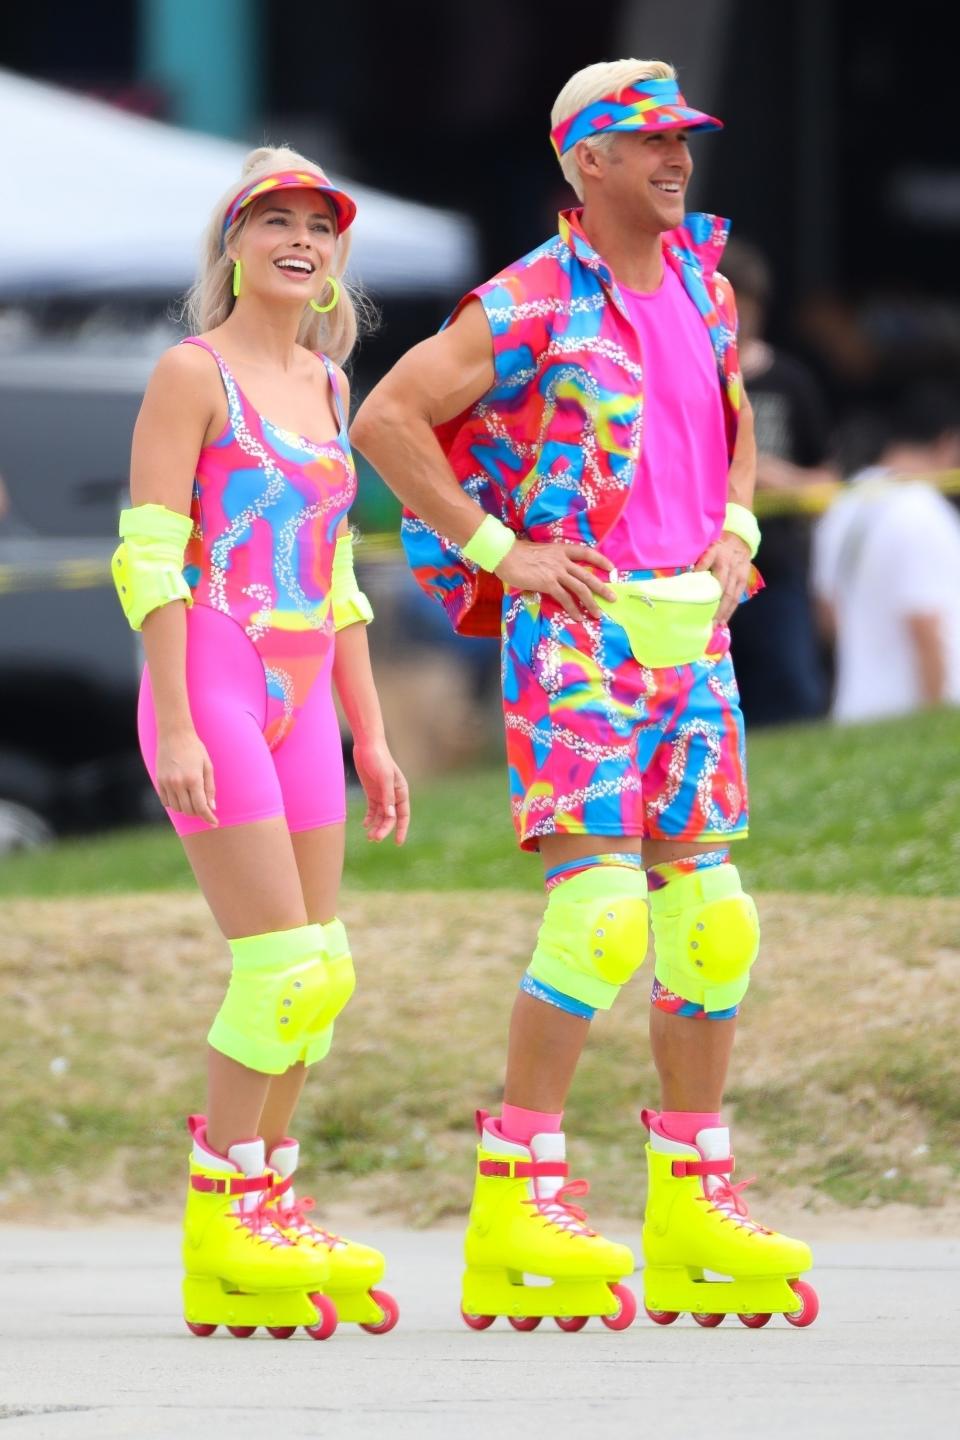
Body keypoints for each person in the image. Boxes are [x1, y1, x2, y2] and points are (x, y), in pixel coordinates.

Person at [352, 60, 817, 1330]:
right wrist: (499, 549)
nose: (676, 159)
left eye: (684, 140)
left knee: (713, 922)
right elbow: (387, 419)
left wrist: (735, 528)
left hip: (692, 636)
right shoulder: (531, 301)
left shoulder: (708, 288)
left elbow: (729, 416)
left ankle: (692, 1208)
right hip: (579, 641)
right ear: (586, 162)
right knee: (603, 917)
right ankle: (518, 1197)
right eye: (648, 141)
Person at [113, 146, 408, 1340]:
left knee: (319, 976)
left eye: (319, 226)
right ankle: (223, 1222)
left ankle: (268, 1210)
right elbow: (147, 557)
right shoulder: (192, 373)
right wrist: (178, 716)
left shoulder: (331, 386)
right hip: (216, 689)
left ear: (337, 256)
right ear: (231, 244)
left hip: (301, 698)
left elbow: (335, 577)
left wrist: (372, 736)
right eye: (272, 220)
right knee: (277, 967)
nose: (300, 238)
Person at [722, 238, 838, 725]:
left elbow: (827, 481)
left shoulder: (790, 381)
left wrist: (775, 477)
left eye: (746, 309)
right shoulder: (687, 376)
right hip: (703, 564)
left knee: (791, 688)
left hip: (778, 564)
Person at [812, 381, 960, 722]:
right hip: (909, 709)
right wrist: (938, 718)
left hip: (852, 709)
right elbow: (927, 624)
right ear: (947, 443)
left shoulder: (846, 502)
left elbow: (827, 617)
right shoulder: (924, 510)